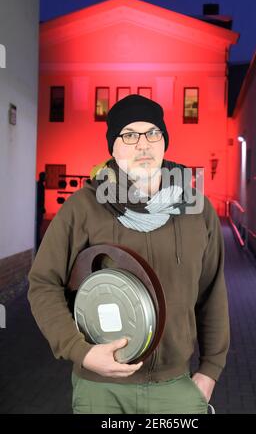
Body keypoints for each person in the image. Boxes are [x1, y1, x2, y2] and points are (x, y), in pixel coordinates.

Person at [28, 94, 229, 414]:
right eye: (129, 135)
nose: (143, 144)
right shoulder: (84, 206)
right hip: (100, 388)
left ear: (164, 141)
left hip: (175, 387)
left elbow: (211, 293)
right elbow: (43, 283)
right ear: (113, 146)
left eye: (153, 133)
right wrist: (79, 350)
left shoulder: (197, 209)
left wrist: (210, 371)